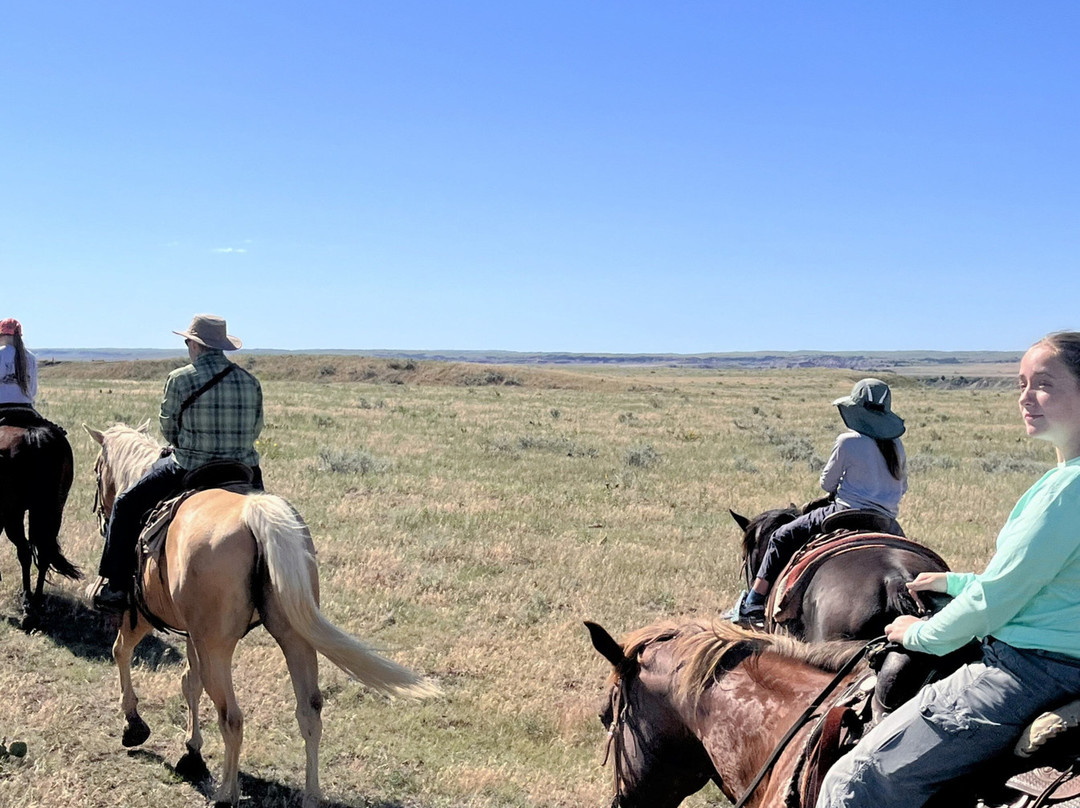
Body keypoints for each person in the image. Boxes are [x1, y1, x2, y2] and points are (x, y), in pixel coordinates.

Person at [817, 331, 1080, 808]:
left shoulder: (1067, 490)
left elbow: (994, 602)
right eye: (1021, 384)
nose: (1024, 397)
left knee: (851, 782)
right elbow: (1053, 585)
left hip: (1028, 672)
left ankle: (754, 599)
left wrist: (919, 633)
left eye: (1043, 384)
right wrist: (956, 581)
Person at [91, 314, 264, 612]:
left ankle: (115, 585)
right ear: (221, 346)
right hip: (243, 469)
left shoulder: (180, 378)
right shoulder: (250, 381)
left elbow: (168, 428)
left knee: (126, 504)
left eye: (187, 343)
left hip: (190, 467)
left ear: (194, 345)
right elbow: (256, 428)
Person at [738, 378, 907, 622]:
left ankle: (753, 602)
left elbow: (827, 484)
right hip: (886, 520)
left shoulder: (848, 441)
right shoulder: (896, 445)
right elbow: (902, 487)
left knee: (781, 536)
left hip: (845, 512)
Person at [0, 317, 41, 422]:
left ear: (2, 335)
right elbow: (33, 391)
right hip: (26, 407)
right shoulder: (31, 357)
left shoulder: (1, 353)